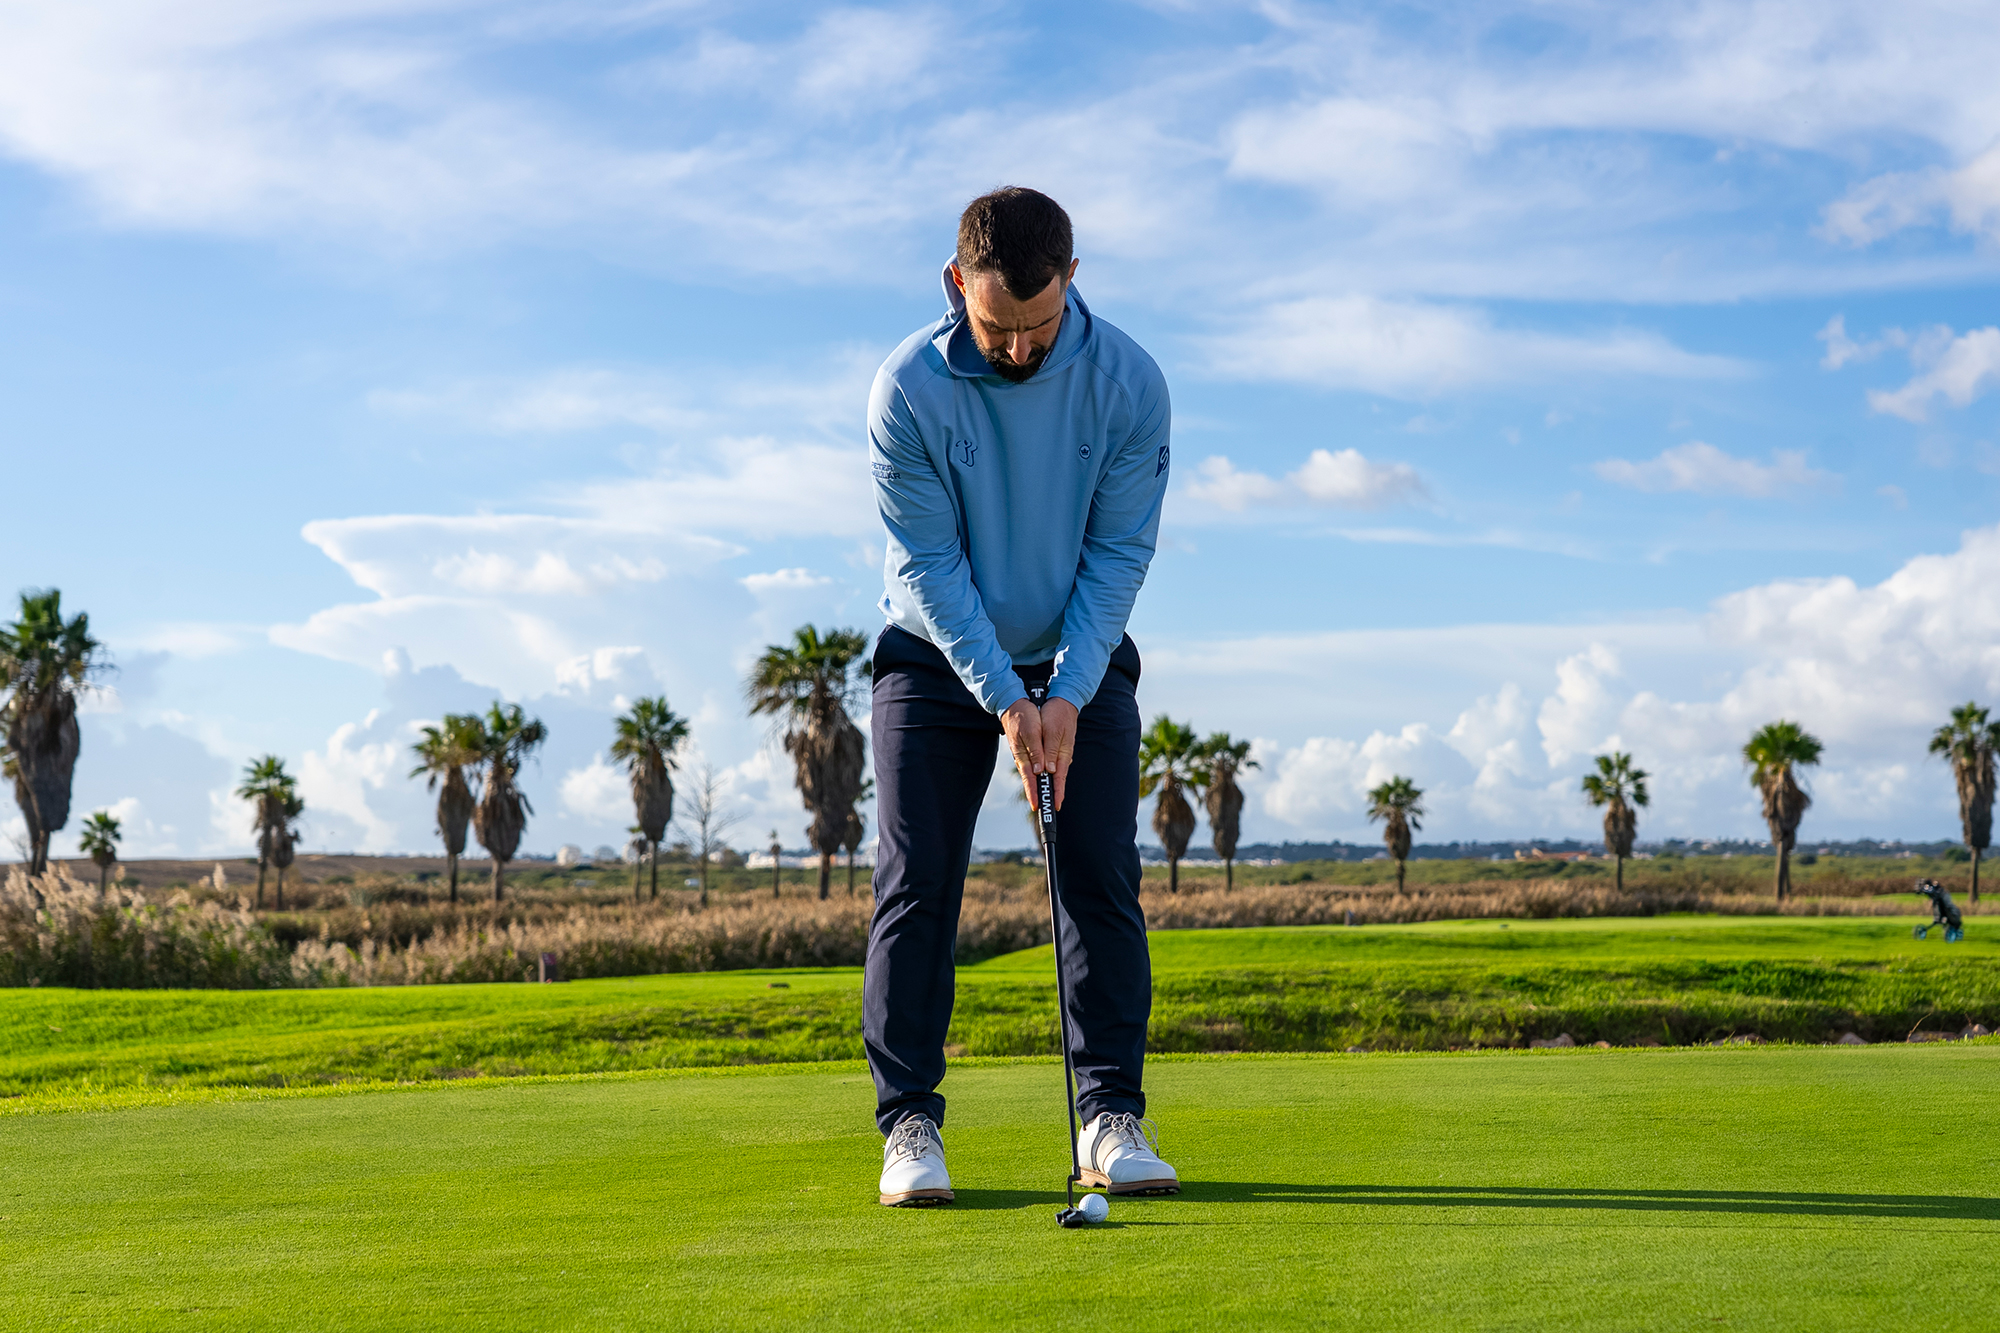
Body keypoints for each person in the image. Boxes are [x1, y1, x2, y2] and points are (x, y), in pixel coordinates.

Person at [864, 186, 1177, 1206]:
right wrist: (1007, 696)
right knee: (919, 884)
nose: (1018, 350)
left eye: (1038, 327)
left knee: (1097, 876)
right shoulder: (905, 388)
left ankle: (1109, 1116)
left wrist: (1066, 692)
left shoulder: (1129, 382)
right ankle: (909, 1125)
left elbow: (1118, 552)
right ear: (956, 285)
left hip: (1078, 656)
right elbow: (929, 566)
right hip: (933, 656)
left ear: (1073, 282)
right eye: (998, 327)